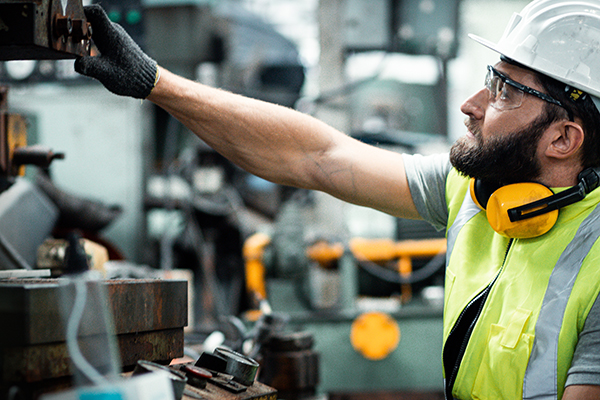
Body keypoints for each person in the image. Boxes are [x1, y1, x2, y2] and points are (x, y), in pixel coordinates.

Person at [74, 0, 600, 398]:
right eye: (491, 80)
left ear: (562, 140)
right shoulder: (479, 194)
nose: (473, 104)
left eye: (506, 92)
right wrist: (155, 83)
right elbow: (316, 156)